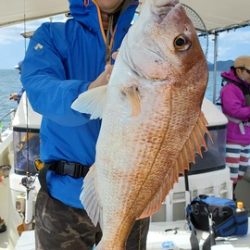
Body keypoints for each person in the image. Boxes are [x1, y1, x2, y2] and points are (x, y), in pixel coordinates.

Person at [21, 0, 150, 249]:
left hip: (131, 198)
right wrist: (90, 91)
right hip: (64, 198)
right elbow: (39, 90)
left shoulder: (144, 39)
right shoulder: (51, 35)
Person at [220, 55, 250, 201]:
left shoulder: (246, 87)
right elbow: (234, 111)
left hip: (246, 138)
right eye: (249, 72)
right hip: (233, 138)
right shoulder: (230, 89)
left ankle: (234, 198)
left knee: (242, 171)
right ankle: (229, 201)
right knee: (231, 174)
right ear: (239, 70)